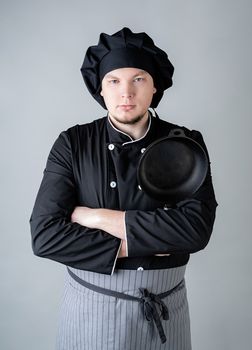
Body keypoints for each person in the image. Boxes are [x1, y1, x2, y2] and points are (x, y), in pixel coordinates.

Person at [30, 27, 217, 350]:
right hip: (92, 308)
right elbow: (45, 235)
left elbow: (196, 230)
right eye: (114, 81)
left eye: (138, 79)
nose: (126, 92)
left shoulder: (186, 143)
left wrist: (97, 218)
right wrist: (153, 240)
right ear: (100, 89)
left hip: (166, 310)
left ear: (155, 86)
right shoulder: (73, 144)